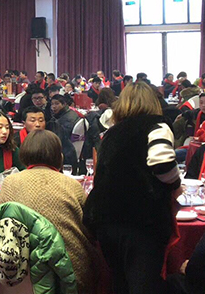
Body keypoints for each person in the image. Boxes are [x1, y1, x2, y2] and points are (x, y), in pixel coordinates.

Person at [84, 81, 181, 294]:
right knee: (144, 286)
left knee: (120, 284)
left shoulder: (112, 132)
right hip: (142, 222)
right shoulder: (157, 125)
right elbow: (163, 163)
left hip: (106, 221)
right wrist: (176, 184)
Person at [0, 129, 99, 294]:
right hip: (72, 274)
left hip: (22, 276)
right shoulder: (72, 185)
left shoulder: (10, 183)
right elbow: (91, 228)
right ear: (59, 156)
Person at [48, 94, 80, 172]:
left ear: (64, 104)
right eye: (52, 104)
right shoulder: (70, 113)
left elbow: (59, 139)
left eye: (57, 104)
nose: (54, 107)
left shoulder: (65, 120)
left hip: (66, 153)